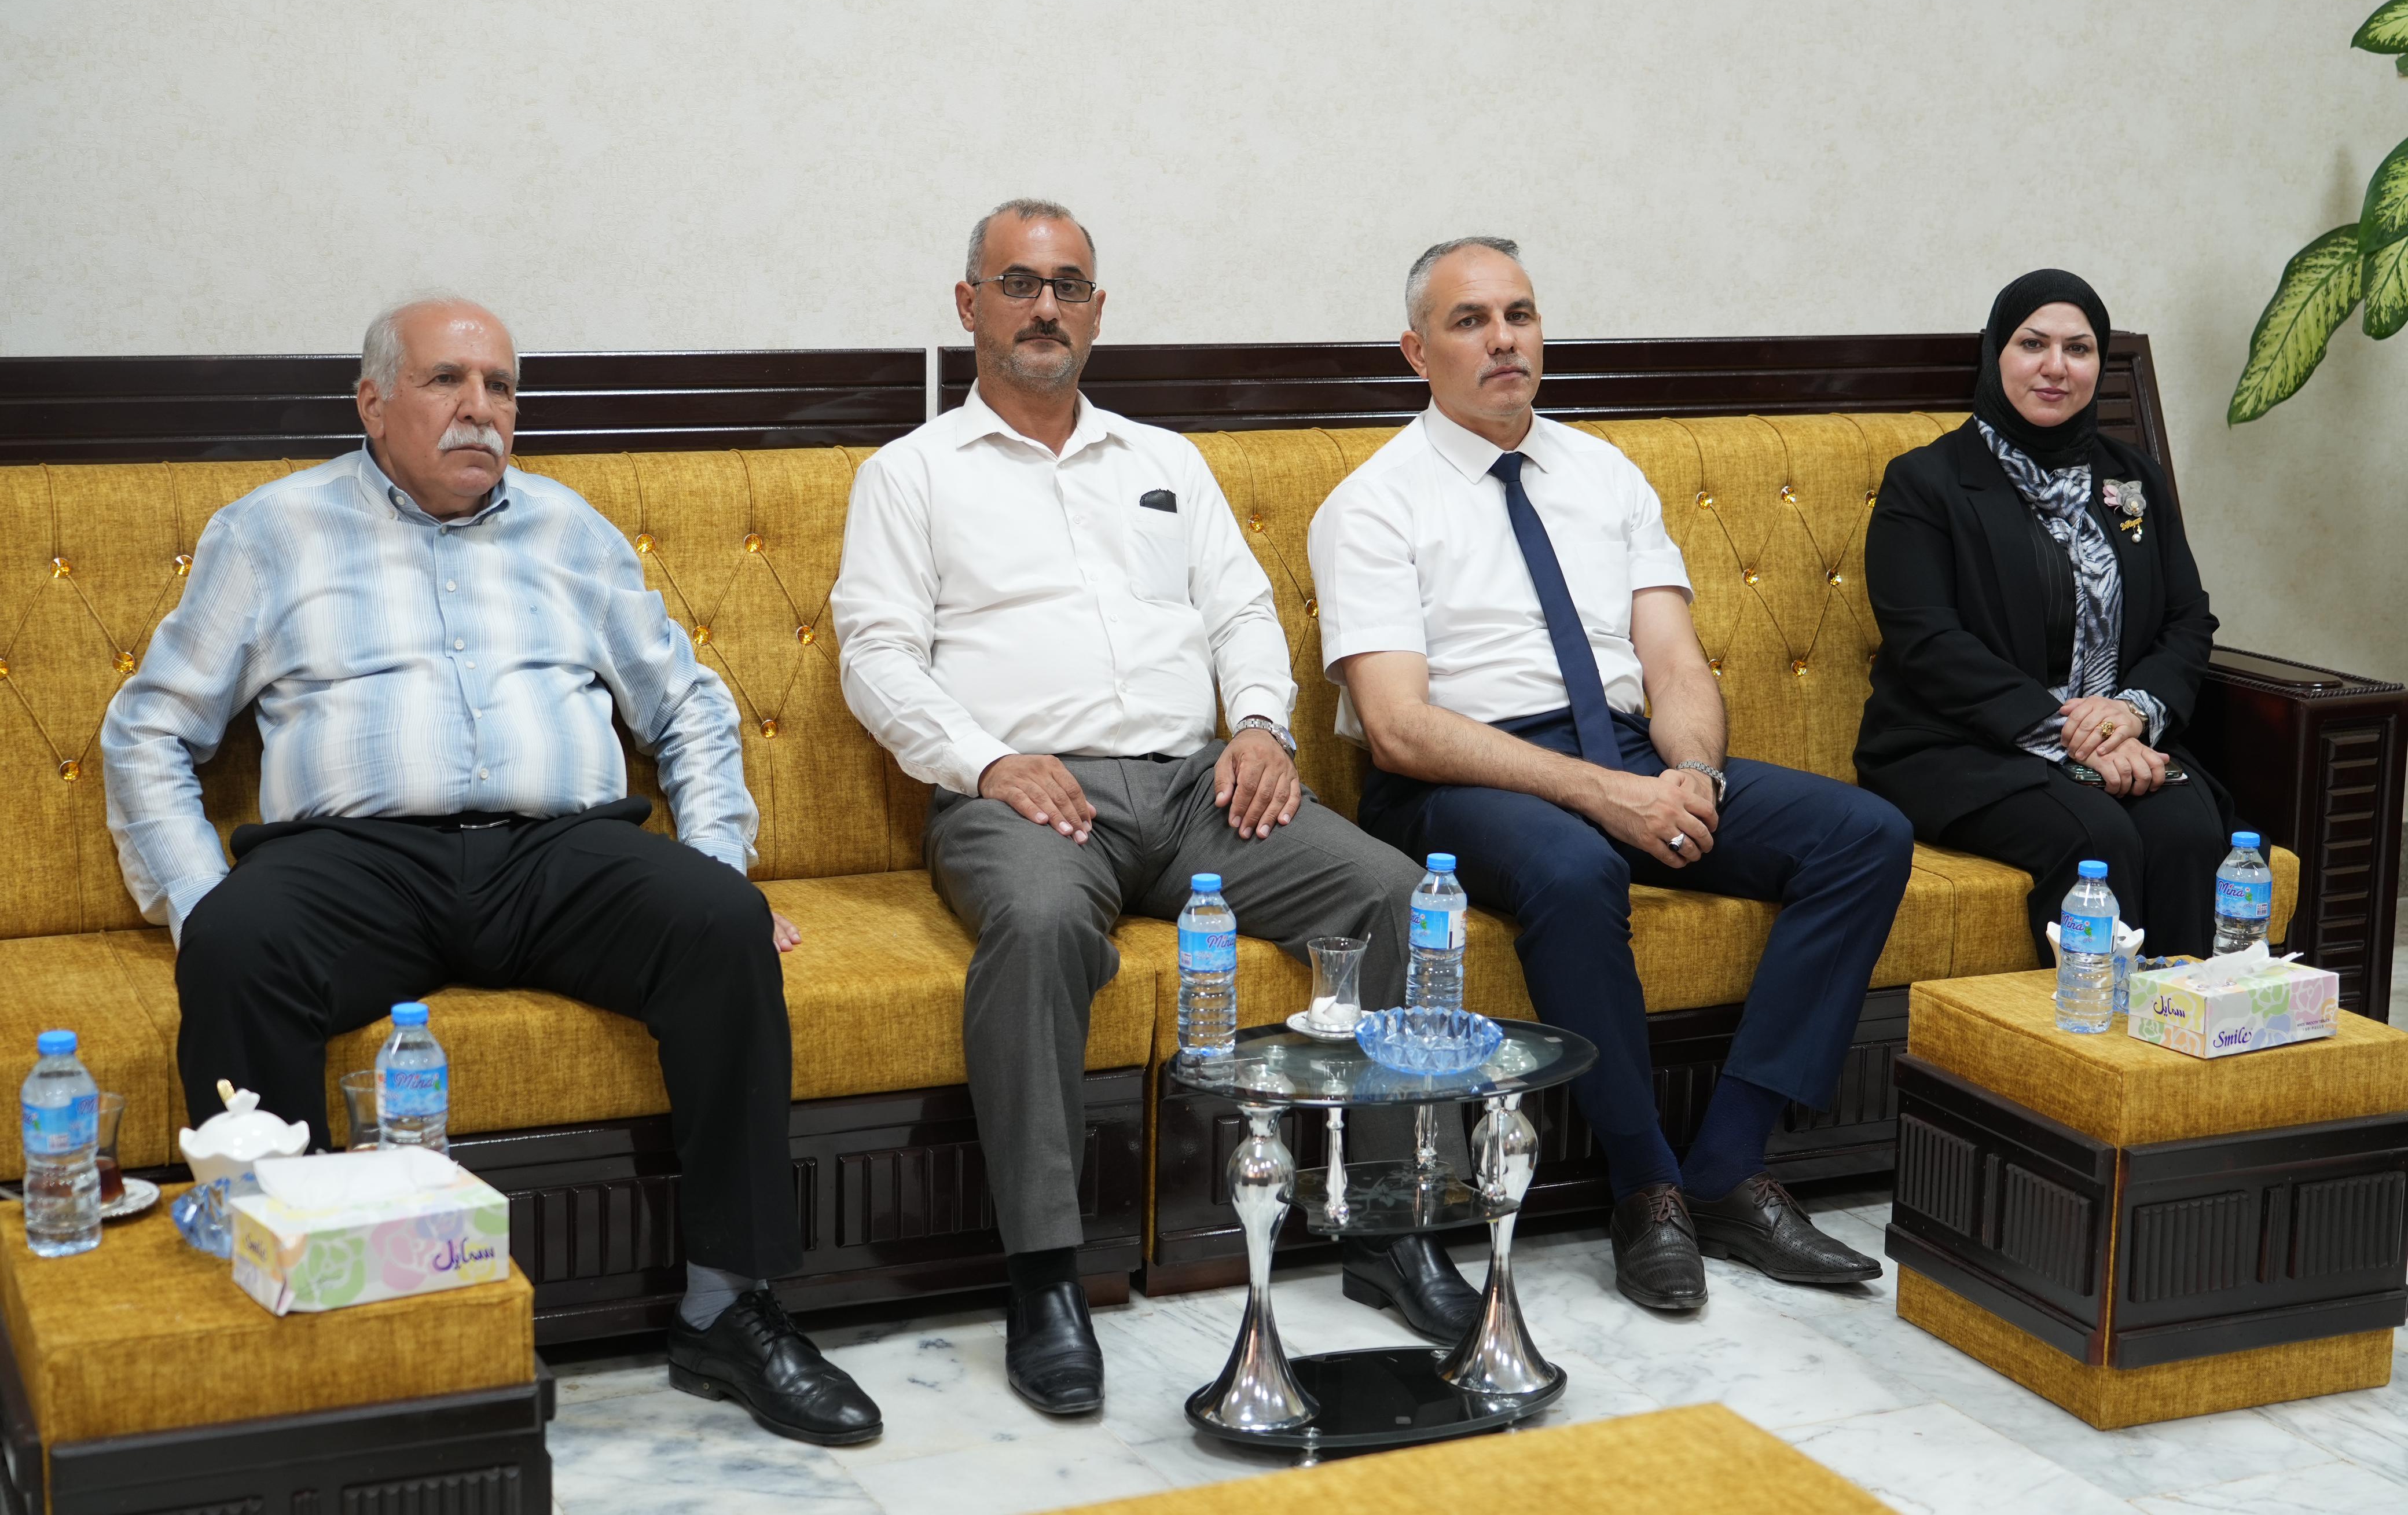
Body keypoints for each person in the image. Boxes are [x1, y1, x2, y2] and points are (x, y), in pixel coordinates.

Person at [100, 297, 882, 1448]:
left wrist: (720, 861)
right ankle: (293, 1305)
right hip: (356, 860)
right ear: (373, 403)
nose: (480, 409)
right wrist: (195, 894)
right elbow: (150, 727)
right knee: (234, 944)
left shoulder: (569, 529)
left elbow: (688, 706)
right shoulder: (272, 532)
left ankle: (729, 1306)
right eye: (446, 381)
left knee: (720, 922)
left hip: (555, 851)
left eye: (500, 386)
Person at [832, 200, 1478, 1415]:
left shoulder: (1165, 462)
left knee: (1395, 893)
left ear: (1097, 312)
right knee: (1037, 928)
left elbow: (1240, 611)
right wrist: (986, 762)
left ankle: (1392, 1230)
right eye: (1019, 284)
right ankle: (1045, 1276)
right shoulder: (910, 474)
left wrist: (1261, 725)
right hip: (1024, 795)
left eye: (1069, 286)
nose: (1046, 307)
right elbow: (875, 656)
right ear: (969, 305)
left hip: (1195, 789)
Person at [1308, 237, 1906, 1312]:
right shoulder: (1374, 503)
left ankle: (1727, 1165)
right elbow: (1399, 728)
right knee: (1576, 866)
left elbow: (1673, 663)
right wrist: (1604, 795)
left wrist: (1692, 773)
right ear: (1417, 350)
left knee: (1863, 835)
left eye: (1520, 315)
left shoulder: (1606, 475)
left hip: (1627, 746)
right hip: (1462, 777)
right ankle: (1645, 1185)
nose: (1504, 339)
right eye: (1470, 320)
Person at [1856, 269, 2231, 957]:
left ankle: (2175, 1022)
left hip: (2118, 733)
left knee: (2187, 832)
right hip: (1963, 746)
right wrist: (2075, 733)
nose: (2055, 367)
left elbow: (2186, 619)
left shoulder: (2132, 479)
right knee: (2096, 836)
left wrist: (2129, 714)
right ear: (1995, 353)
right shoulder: (1926, 482)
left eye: (2077, 348)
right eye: (2032, 344)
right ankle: (2085, 1023)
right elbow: (1927, 643)